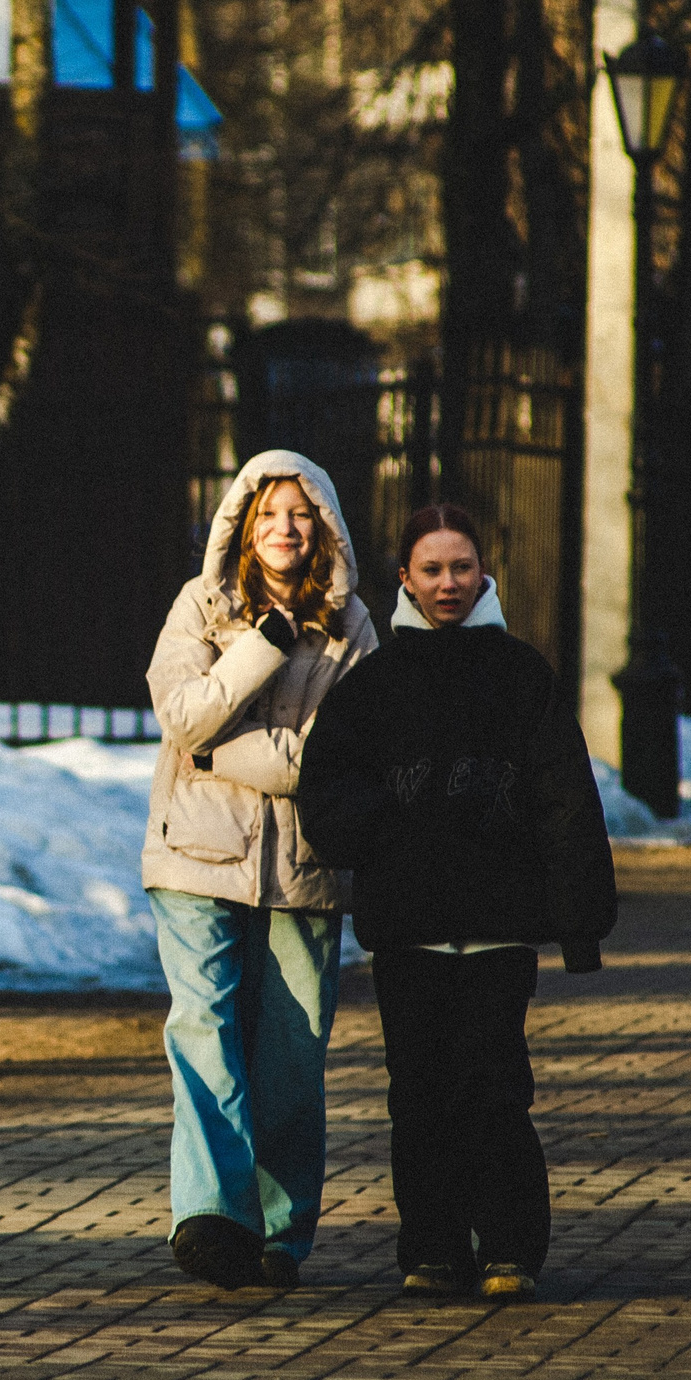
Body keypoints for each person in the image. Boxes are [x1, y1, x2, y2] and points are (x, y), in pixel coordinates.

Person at [295, 504, 616, 1302]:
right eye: (431, 570)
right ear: (404, 577)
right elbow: (327, 788)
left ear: (485, 573)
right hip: (409, 931)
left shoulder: (520, 674)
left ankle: (511, 1246)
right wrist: (383, 830)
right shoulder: (374, 685)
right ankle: (432, 1247)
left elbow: (564, 796)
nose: (448, 584)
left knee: (495, 1088)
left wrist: (579, 916)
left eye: (462, 568)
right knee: (420, 1094)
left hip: (501, 929)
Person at [144, 450, 375, 1290]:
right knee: (204, 1029)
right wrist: (267, 646)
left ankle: (280, 1231)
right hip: (195, 856)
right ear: (242, 522)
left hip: (307, 869)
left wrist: (220, 747)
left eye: (300, 514)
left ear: (324, 528)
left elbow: (338, 757)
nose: (283, 528)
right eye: (268, 512)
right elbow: (180, 713)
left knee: (288, 1056)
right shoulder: (202, 607)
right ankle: (212, 1218)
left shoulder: (354, 630)